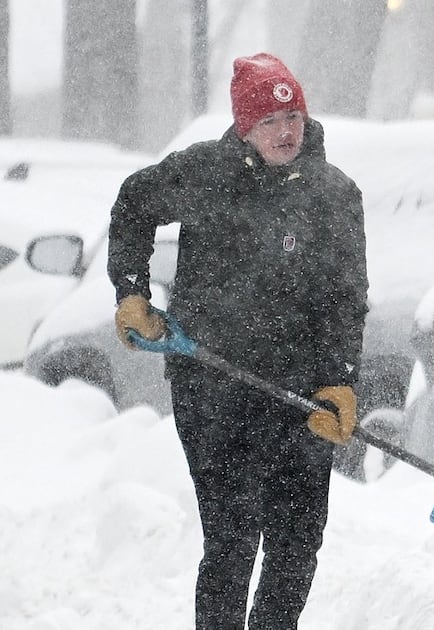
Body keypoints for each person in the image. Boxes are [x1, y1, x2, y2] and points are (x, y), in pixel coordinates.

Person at [108, 52, 369, 629]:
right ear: (246, 128)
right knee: (232, 540)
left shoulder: (333, 194)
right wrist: (132, 291)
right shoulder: (206, 173)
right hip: (212, 385)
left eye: (293, 117)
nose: (285, 132)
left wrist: (341, 381)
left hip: (298, 391)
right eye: (270, 122)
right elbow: (133, 204)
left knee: (299, 540)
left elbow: (345, 298)